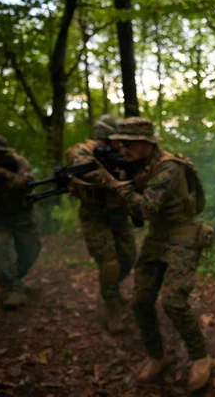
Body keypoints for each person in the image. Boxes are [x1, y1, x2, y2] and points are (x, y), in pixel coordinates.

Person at [103, 117, 211, 392]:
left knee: (173, 302)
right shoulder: (141, 165)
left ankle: (200, 357)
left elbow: (145, 209)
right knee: (140, 301)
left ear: (146, 143)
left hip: (183, 235)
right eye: (120, 143)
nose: (123, 149)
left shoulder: (169, 167)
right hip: (157, 238)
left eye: (129, 144)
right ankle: (156, 355)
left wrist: (118, 186)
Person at [66, 114, 137, 333]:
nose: (121, 143)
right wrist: (110, 177)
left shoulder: (122, 152)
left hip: (118, 214)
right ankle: (112, 308)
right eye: (117, 138)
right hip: (94, 214)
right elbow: (83, 169)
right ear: (105, 136)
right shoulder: (84, 150)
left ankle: (112, 288)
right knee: (109, 263)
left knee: (128, 257)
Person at [0, 135, 41, 309]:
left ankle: (15, 280)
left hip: (22, 212)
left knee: (32, 249)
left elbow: (26, 181)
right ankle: (11, 288)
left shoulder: (17, 162)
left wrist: (5, 175)